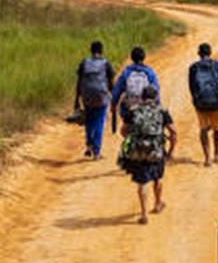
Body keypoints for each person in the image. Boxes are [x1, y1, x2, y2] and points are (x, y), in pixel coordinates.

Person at [118, 88, 176, 224]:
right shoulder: (162, 110)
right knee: (158, 178)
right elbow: (173, 131)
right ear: (155, 97)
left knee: (142, 182)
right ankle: (157, 204)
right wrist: (171, 151)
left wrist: (133, 139)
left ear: (142, 98)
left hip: (138, 151)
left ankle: (144, 214)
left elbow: (123, 131)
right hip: (157, 151)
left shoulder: (133, 111)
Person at [187, 42, 218, 167]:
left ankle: (207, 158)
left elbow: (191, 87)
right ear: (210, 53)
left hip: (201, 102)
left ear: (199, 54)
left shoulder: (193, 67)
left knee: (203, 128)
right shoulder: (217, 65)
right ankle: (216, 154)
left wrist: (196, 101)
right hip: (216, 102)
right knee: (216, 128)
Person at [74, 40, 115, 159]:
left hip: (86, 96)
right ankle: (96, 151)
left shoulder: (84, 62)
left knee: (89, 121)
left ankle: (89, 145)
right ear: (101, 51)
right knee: (99, 122)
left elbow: (79, 81)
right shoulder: (106, 63)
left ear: (91, 51)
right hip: (101, 97)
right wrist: (113, 96)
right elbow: (111, 81)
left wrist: (76, 99)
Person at [109, 46, 160, 133]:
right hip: (146, 108)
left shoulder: (126, 72)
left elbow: (116, 92)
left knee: (125, 130)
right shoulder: (149, 72)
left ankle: (128, 141)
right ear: (144, 57)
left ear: (132, 58)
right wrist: (157, 106)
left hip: (129, 109)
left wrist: (113, 105)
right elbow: (156, 92)